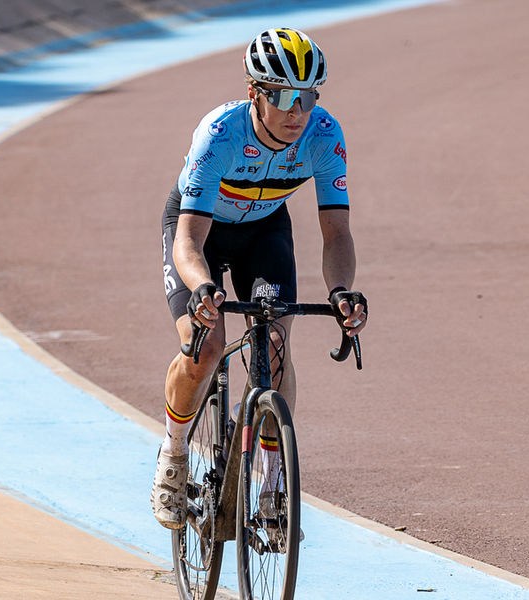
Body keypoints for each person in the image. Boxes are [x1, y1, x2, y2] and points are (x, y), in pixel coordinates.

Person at [152, 27, 368, 529]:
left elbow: (337, 232)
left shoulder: (324, 134)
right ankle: (174, 453)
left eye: (308, 96)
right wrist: (203, 289)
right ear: (255, 93)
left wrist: (341, 292)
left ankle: (271, 484)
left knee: (272, 343)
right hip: (200, 229)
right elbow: (188, 239)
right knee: (204, 346)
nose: (298, 111)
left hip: (264, 227)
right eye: (285, 96)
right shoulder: (220, 134)